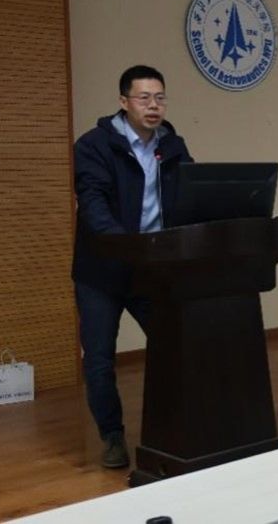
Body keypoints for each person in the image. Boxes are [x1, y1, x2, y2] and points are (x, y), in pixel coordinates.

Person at [71, 65, 193, 468]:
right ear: (124, 102)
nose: (153, 106)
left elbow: (190, 197)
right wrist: (128, 248)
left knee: (175, 344)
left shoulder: (172, 145)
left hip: (152, 270)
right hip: (102, 271)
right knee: (100, 360)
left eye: (159, 98)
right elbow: (93, 206)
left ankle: (174, 428)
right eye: (144, 98)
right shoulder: (93, 146)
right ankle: (112, 437)